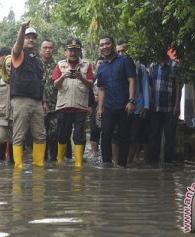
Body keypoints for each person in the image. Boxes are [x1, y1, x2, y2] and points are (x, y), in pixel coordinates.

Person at [10, 21, 47, 169]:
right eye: (27, 37)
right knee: (19, 134)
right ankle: (18, 166)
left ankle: (39, 165)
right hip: (21, 100)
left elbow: (40, 82)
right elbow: (18, 45)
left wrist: (43, 101)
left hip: (37, 101)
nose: (31, 39)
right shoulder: (18, 54)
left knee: (40, 135)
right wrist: (22, 28)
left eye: (33, 37)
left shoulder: (38, 61)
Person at [52, 38, 94, 167]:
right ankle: (60, 161)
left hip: (80, 106)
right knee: (62, 135)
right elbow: (55, 84)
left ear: (80, 51)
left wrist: (81, 77)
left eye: (76, 50)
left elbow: (91, 85)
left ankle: (79, 164)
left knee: (79, 135)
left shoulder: (87, 65)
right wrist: (63, 76)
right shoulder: (60, 64)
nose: (73, 53)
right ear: (66, 52)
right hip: (63, 106)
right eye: (71, 50)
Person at [96, 36, 136, 168]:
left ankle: (122, 165)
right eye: (101, 45)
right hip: (108, 106)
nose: (104, 47)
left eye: (107, 44)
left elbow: (131, 80)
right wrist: (100, 108)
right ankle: (106, 164)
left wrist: (131, 101)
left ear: (112, 45)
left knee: (124, 136)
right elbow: (101, 89)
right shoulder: (101, 67)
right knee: (105, 135)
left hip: (124, 105)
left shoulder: (125, 60)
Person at [116, 41, 150, 165]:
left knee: (134, 136)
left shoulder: (139, 66)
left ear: (128, 50)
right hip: (120, 106)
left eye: (123, 50)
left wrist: (146, 106)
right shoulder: (115, 65)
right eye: (118, 51)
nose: (121, 53)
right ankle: (118, 162)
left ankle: (129, 162)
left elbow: (145, 86)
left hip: (138, 106)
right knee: (119, 135)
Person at [148, 51, 181, 164]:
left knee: (170, 137)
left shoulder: (174, 65)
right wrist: (149, 103)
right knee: (154, 136)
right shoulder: (152, 66)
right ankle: (153, 162)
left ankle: (168, 163)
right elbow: (150, 85)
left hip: (170, 108)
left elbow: (178, 85)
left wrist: (177, 105)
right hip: (155, 107)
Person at [0, 55, 14, 163]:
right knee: (1, 138)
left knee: (14, 139)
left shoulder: (19, 79)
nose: (10, 69)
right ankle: (0, 162)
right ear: (5, 67)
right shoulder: (0, 79)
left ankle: (12, 161)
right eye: (8, 66)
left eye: (12, 66)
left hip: (16, 114)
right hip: (1, 113)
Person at [89, 57, 104, 158]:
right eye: (99, 63)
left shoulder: (108, 75)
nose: (101, 65)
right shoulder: (92, 77)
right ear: (95, 65)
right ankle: (95, 153)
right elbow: (87, 89)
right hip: (93, 106)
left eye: (103, 63)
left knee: (106, 130)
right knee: (94, 130)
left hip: (106, 105)